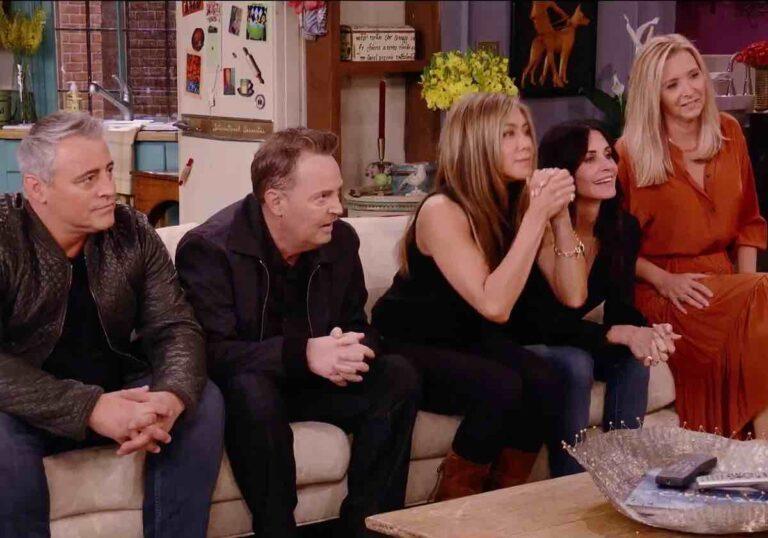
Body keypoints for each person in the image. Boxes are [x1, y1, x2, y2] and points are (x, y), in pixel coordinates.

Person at [175, 127, 419, 538]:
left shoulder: (340, 241)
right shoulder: (210, 249)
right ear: (276, 202)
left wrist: (350, 350)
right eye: (322, 197)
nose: (338, 208)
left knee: (398, 375)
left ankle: (369, 528)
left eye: (336, 193)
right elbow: (210, 354)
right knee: (251, 389)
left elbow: (358, 323)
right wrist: (303, 354)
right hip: (253, 395)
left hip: (317, 384)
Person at [0, 111, 225, 538]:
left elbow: (175, 325)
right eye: (88, 179)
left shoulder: (131, 230)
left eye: (107, 170)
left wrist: (171, 395)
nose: (109, 188)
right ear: (37, 188)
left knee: (203, 400)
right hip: (27, 408)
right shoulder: (4, 236)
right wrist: (89, 407)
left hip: (117, 389)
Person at [372, 91, 588, 494]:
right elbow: (495, 305)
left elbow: (574, 296)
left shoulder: (520, 202)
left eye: (526, 132)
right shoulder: (442, 210)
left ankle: (501, 504)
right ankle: (451, 508)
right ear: (476, 143)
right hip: (407, 343)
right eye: (508, 134)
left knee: (547, 379)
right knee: (500, 387)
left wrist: (559, 219)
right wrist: (537, 216)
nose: (525, 144)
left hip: (467, 339)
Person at [617, 33, 768, 438]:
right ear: (654, 95)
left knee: (762, 299)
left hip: (728, 283)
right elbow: (611, 249)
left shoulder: (729, 132)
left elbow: (749, 223)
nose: (689, 91)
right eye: (672, 84)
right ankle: (763, 453)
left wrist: (747, 291)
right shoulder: (629, 153)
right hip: (667, 290)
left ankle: (759, 454)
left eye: (694, 75)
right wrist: (664, 280)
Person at [508, 120, 680, 461]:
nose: (607, 166)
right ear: (563, 171)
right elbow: (538, 322)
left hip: (575, 339)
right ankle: (568, 481)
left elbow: (619, 306)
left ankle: (622, 473)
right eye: (589, 159)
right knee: (576, 363)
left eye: (608, 155)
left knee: (633, 360)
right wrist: (616, 333)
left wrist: (646, 332)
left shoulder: (622, 228)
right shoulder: (540, 227)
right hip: (527, 340)